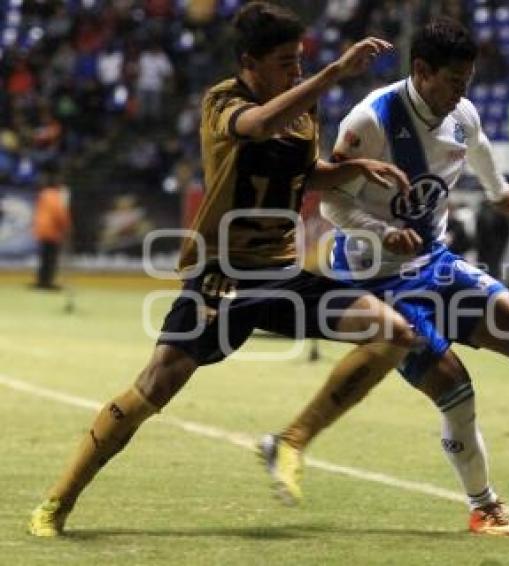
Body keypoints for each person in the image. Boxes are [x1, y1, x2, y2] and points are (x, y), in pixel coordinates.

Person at [259, 18, 509, 536]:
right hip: (374, 280)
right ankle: (484, 505)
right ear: (421, 71)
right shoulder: (372, 121)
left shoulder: (463, 112)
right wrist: (379, 230)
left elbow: (476, 147)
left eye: (468, 82)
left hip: (433, 262)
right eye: (454, 82)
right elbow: (333, 201)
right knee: (457, 390)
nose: (462, 94)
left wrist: (497, 188)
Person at [28, 2, 425, 537]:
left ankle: (290, 440)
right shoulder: (223, 100)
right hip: (223, 277)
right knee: (153, 388)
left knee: (393, 332)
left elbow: (303, 177)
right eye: (286, 62)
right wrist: (335, 74)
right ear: (249, 63)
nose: (298, 71)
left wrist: (351, 170)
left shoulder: (303, 114)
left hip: (282, 274)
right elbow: (258, 127)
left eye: (302, 61)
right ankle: (57, 503)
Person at [31, 172, 71, 290]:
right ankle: (47, 282)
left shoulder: (43, 194)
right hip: (52, 230)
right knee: (51, 257)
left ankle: (41, 280)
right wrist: (67, 226)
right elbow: (59, 212)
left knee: (44, 257)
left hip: (41, 229)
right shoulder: (56, 196)